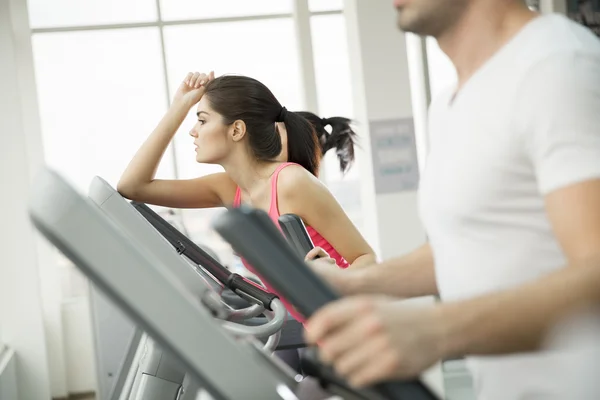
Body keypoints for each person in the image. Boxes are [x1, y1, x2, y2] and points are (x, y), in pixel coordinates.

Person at [304, 1, 600, 399]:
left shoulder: (557, 66)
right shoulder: (448, 104)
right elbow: (462, 246)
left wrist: (436, 330)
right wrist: (354, 282)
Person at [118, 71, 376, 324]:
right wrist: (180, 106)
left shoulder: (291, 182)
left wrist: (334, 287)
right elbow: (133, 186)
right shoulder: (229, 189)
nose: (193, 131)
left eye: (203, 120)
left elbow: (366, 258)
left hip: (360, 323)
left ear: (237, 130)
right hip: (326, 333)